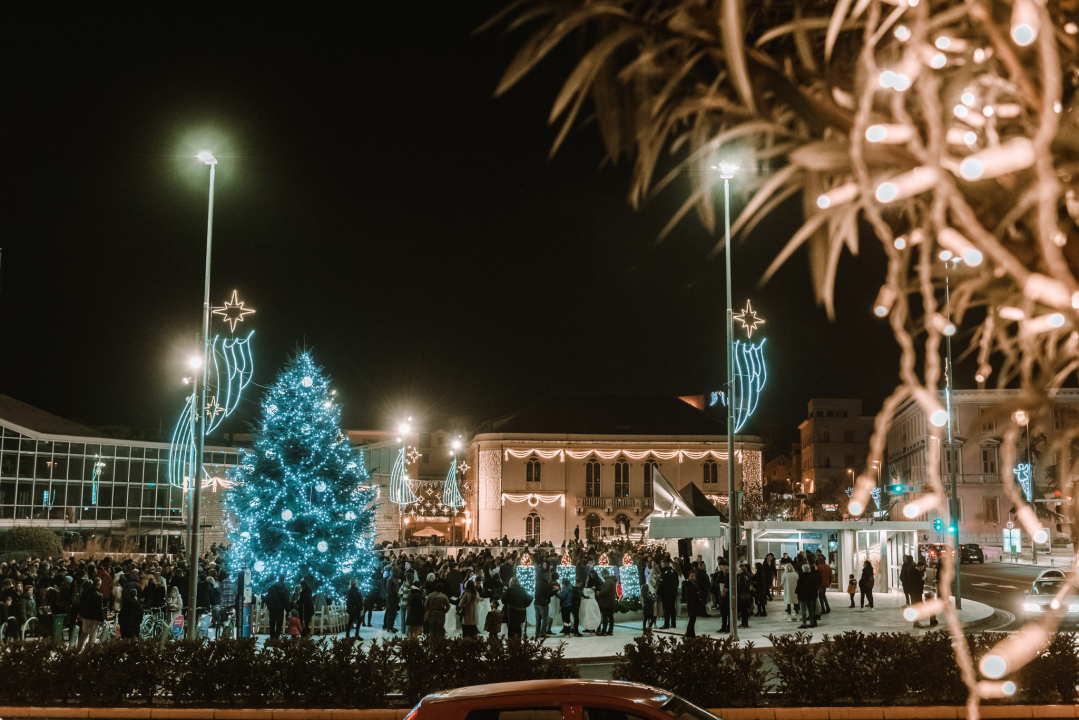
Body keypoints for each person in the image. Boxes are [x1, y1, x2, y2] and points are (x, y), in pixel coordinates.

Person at [76, 578, 106, 650]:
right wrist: (102, 619)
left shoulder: (85, 593)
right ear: (99, 584)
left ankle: (78, 648)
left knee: (84, 633)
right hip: (94, 617)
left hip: (85, 616)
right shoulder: (98, 595)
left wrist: (80, 614)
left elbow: (81, 604)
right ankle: (90, 650)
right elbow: (99, 608)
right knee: (92, 635)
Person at [265, 574, 289, 640]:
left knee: (272, 623)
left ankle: (272, 637)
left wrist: (269, 606)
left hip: (272, 608)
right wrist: (287, 610)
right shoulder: (284, 589)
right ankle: (277, 637)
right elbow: (286, 600)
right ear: (283, 579)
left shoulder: (271, 588)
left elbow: (267, 598)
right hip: (280, 608)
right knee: (279, 624)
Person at [684, 570, 706, 638]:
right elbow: (692, 593)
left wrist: (698, 593)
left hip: (695, 603)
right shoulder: (687, 585)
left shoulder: (695, 584)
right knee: (692, 619)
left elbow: (700, 592)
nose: (693, 577)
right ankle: (690, 634)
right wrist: (697, 593)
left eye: (694, 576)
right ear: (688, 577)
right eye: (692, 576)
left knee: (693, 619)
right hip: (691, 603)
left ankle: (690, 634)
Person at [795, 563, 818, 629]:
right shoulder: (812, 576)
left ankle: (804, 624)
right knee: (811, 610)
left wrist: (797, 593)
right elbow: (815, 586)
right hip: (810, 595)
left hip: (803, 596)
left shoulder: (802, 576)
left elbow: (799, 587)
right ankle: (812, 623)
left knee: (803, 610)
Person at [596, 569, 616, 636]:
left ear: (606, 574)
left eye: (603, 575)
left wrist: (599, 593)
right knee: (610, 616)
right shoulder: (612, 581)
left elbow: (606, 591)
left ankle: (604, 631)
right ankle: (610, 630)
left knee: (605, 616)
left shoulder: (608, 581)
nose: (602, 576)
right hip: (611, 601)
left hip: (606, 602)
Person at [659, 561, 678, 629]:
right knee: (672, 608)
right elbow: (677, 582)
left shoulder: (664, 573)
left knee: (666, 609)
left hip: (666, 593)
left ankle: (666, 624)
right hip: (673, 593)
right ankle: (673, 624)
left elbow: (662, 583)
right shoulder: (674, 572)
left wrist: (659, 592)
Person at [736, 563, 753, 629]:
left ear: (742, 570)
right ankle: (744, 623)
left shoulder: (741, 576)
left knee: (743, 610)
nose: (739, 571)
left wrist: (736, 589)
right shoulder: (747, 575)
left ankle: (744, 624)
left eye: (740, 569)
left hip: (743, 594)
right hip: (747, 594)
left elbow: (741, 586)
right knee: (745, 610)